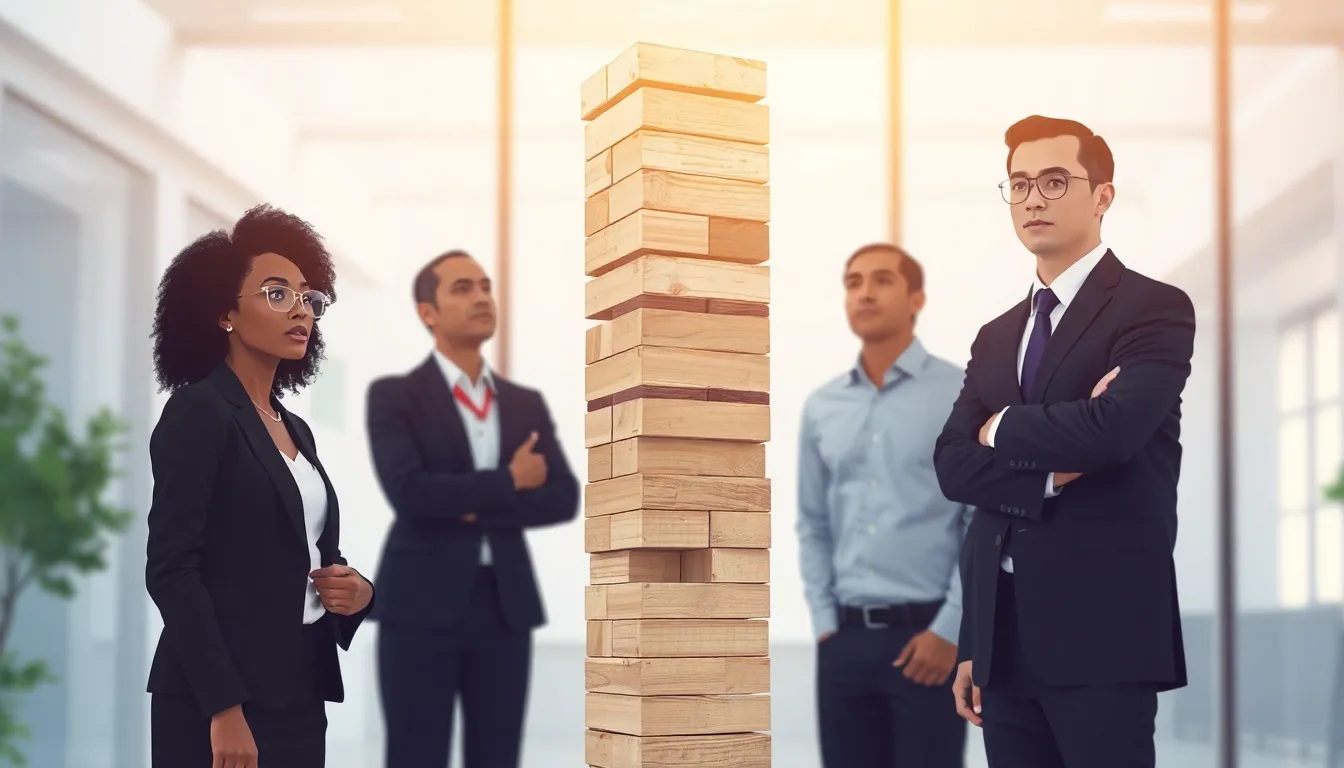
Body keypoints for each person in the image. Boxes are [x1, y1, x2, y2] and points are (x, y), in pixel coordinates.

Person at [934, 115, 1194, 768]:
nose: (1033, 199)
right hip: (1004, 642)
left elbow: (1114, 433)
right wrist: (973, 642)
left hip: (1103, 638)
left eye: (1054, 181)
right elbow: (952, 466)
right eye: (1019, 185)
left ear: (1102, 196)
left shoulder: (1153, 308)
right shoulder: (997, 335)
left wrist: (1000, 429)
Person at [144, 204, 376, 768]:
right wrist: (223, 706)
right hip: (219, 698)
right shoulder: (199, 412)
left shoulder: (293, 427)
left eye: (307, 297)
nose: (301, 310)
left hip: (299, 689)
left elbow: (309, 549)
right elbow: (172, 569)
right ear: (225, 312)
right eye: (277, 293)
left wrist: (357, 593)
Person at [366, 249, 579, 768]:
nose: (482, 296)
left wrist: (467, 503)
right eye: (462, 288)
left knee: (498, 757)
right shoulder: (395, 396)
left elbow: (563, 496)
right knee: (416, 756)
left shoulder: (524, 402)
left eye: (485, 286)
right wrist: (509, 481)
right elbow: (411, 495)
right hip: (417, 609)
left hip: (504, 608)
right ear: (427, 313)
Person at [796, 243, 972, 767]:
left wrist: (950, 630)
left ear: (917, 298)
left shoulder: (961, 392)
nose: (864, 292)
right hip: (844, 643)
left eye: (881, 280)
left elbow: (979, 520)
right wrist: (825, 622)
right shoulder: (822, 406)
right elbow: (812, 523)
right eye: (853, 283)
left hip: (929, 644)